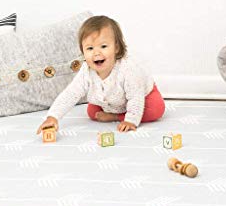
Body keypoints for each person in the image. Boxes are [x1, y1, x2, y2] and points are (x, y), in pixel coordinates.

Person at [36, 15, 165, 134]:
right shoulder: (86, 70)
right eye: (90, 48)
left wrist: (130, 120)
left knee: (156, 109)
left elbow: (135, 97)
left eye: (103, 46)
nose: (96, 53)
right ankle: (115, 112)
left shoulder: (127, 69)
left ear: (116, 48)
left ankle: (117, 116)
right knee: (92, 112)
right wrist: (52, 117)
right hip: (112, 101)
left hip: (142, 94)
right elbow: (70, 94)